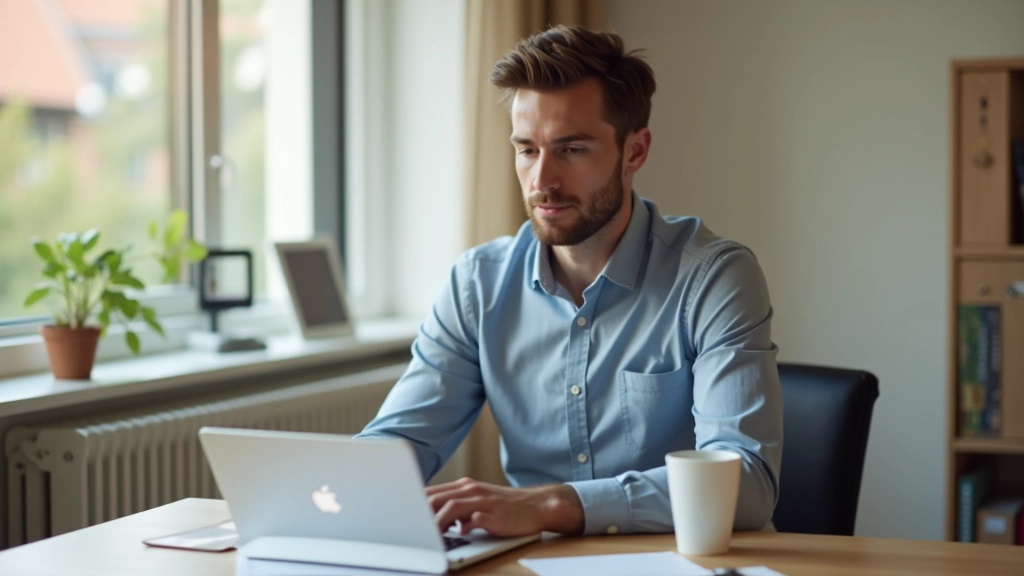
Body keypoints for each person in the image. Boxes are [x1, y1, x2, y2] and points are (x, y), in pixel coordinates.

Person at [356, 25, 782, 537]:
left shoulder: (714, 278)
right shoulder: (477, 285)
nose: (542, 181)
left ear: (634, 152)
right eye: (527, 150)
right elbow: (399, 443)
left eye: (572, 149)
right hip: (533, 563)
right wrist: (330, 492)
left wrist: (553, 505)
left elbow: (745, 484)